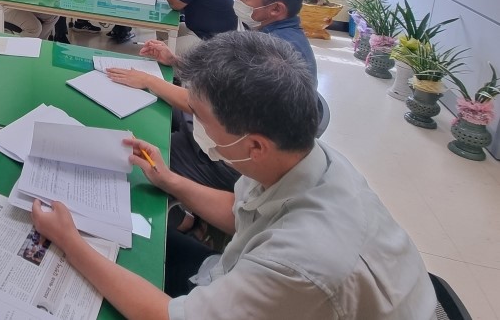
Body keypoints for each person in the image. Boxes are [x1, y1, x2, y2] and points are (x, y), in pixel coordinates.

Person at [32, 32, 436, 320]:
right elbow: (243, 210)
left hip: (292, 292)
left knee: (96, 257)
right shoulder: (305, 158)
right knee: (143, 240)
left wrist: (70, 241)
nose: (195, 125)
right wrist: (170, 180)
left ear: (253, 144)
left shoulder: (300, 264)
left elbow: (162, 315)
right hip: (251, 274)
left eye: (202, 118)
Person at [108, 0, 320, 192]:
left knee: (136, 161)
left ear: (276, 8)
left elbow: (201, 104)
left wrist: (148, 79)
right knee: (159, 109)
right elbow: (220, 88)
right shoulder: (274, 35)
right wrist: (174, 61)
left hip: (232, 161)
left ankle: (185, 220)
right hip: (223, 128)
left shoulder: (272, 56)